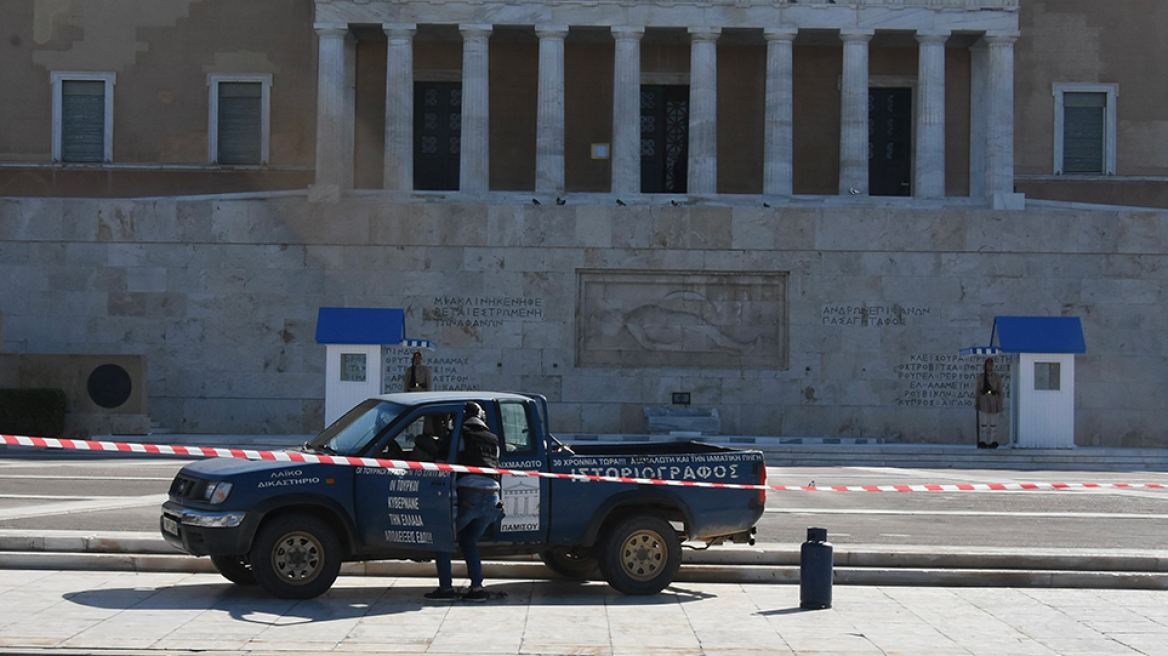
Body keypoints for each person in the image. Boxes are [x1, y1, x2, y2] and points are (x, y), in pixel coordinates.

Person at [425, 402, 502, 602]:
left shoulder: (459, 435)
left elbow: (441, 464)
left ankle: (446, 589)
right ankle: (477, 589)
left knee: (443, 539)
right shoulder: (493, 440)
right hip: (493, 499)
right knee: (469, 541)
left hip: (470, 496)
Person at [975, 358, 1004, 449]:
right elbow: (978, 390)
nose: (990, 366)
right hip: (983, 401)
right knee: (983, 424)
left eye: (991, 364)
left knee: (993, 424)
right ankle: (983, 441)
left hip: (994, 401)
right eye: (988, 364)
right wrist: (977, 402)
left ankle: (992, 441)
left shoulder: (997, 377)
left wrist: (1000, 404)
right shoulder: (981, 377)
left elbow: (1000, 391)